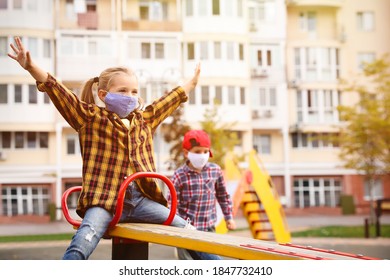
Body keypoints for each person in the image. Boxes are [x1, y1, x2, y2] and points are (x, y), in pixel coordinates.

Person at [8, 36, 218, 260]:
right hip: (105, 199)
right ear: (103, 95)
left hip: (141, 199)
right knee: (84, 240)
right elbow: (59, 92)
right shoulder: (90, 118)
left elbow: (171, 99)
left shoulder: (145, 120)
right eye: (123, 90)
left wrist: (191, 83)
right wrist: (31, 67)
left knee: (188, 232)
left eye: (135, 91)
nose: (130, 97)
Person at [171, 130, 236, 259]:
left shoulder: (215, 170)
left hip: (208, 228)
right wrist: (175, 225)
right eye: (197, 152)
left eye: (205, 152)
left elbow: (223, 196)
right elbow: (172, 202)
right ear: (186, 153)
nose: (202, 155)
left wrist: (229, 217)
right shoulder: (179, 175)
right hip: (185, 231)